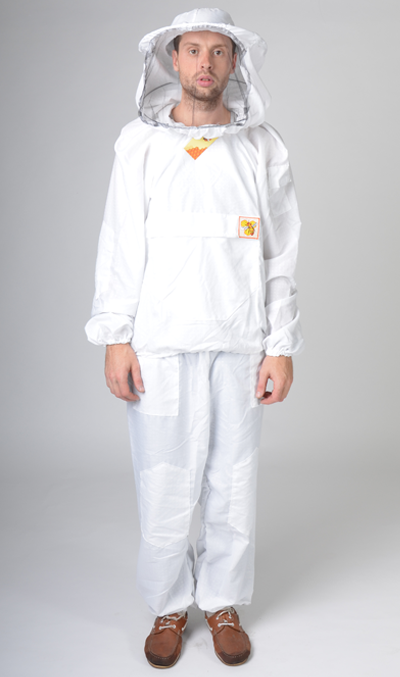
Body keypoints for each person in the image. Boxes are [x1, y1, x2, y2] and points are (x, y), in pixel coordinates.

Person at [85, 7, 304, 669]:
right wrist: (116, 336)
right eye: (193, 50)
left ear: (234, 62)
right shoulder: (139, 145)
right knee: (163, 481)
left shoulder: (262, 146)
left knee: (233, 480)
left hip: (240, 341)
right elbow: (120, 243)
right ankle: (169, 606)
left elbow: (280, 250)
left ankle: (224, 601)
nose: (205, 63)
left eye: (218, 51)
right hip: (158, 343)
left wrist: (280, 344)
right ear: (172, 59)